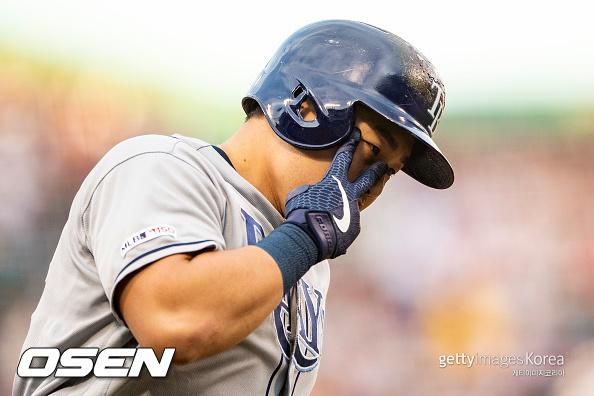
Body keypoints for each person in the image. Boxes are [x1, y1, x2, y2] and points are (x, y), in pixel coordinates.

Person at [13, 19, 454, 395]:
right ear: (306, 109)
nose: (367, 189)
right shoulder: (160, 168)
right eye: (372, 152)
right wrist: (302, 239)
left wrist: (301, 241)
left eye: (388, 173)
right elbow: (174, 322)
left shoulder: (307, 255)